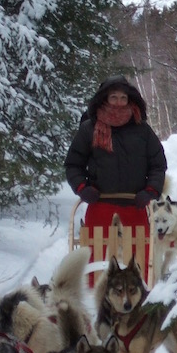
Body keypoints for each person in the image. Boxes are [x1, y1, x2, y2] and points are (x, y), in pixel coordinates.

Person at [65, 75, 168, 286]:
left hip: (135, 202)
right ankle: (95, 295)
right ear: (104, 99)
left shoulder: (142, 130)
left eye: (123, 97)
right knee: (93, 253)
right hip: (99, 200)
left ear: (131, 99)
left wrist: (150, 191)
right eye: (114, 97)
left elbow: (158, 164)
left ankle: (143, 292)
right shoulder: (89, 129)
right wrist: (83, 188)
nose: (119, 102)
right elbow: (73, 164)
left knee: (141, 254)